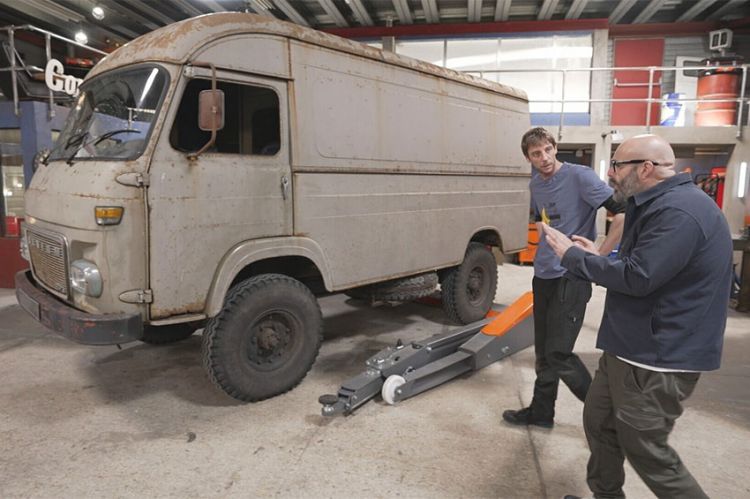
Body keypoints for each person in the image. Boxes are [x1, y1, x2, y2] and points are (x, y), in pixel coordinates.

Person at [542, 134, 733, 498]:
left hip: (656, 359)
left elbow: (638, 278)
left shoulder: (680, 211)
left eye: (616, 165)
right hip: (627, 347)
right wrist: (599, 259)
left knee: (648, 452)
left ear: (645, 168)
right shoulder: (656, 204)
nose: (611, 174)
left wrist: (573, 257)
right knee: (599, 424)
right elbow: (645, 266)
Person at [502, 127, 625, 428]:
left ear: (555, 148)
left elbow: (622, 215)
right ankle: (542, 412)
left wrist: (599, 255)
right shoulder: (536, 185)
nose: (543, 158)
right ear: (528, 158)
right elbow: (544, 221)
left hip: (571, 276)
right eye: (535, 154)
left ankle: (608, 421)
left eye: (547, 150)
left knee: (559, 353)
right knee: (545, 353)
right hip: (543, 274)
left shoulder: (580, 176)